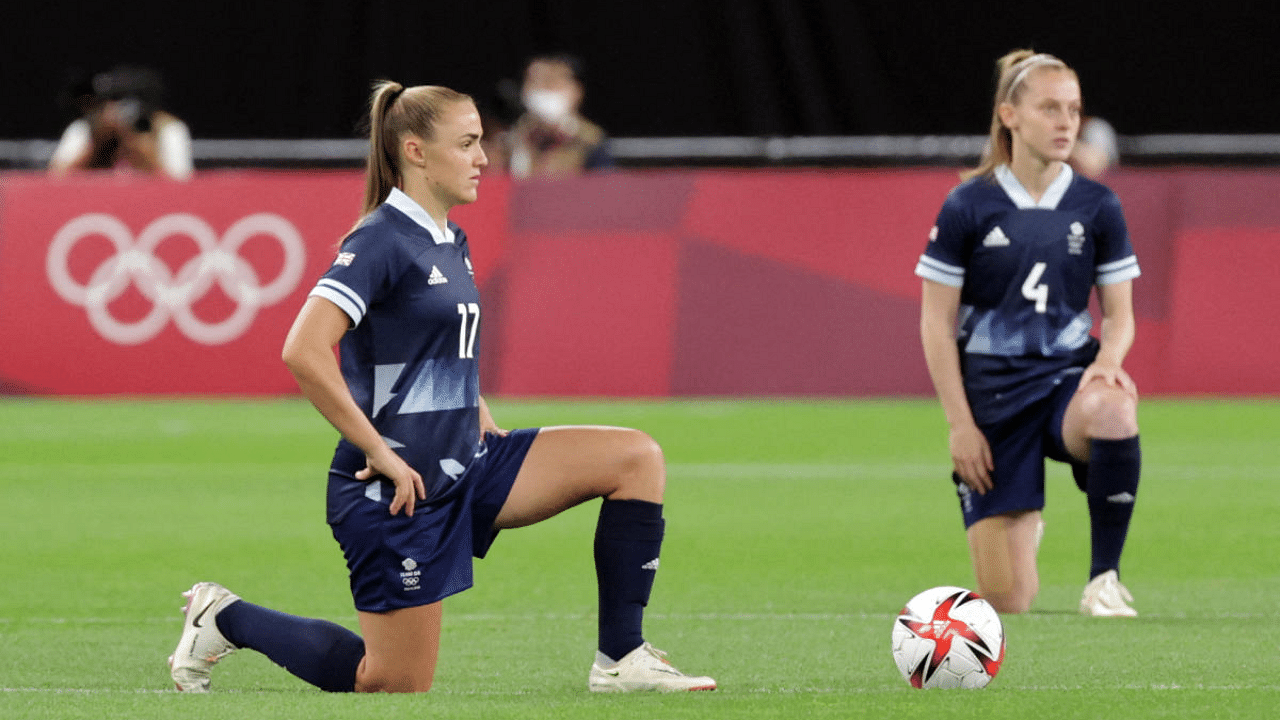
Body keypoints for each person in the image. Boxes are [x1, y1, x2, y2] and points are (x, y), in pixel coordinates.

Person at [167, 80, 715, 694]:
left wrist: (473, 403)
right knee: (392, 681)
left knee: (635, 457)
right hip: (400, 488)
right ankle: (225, 616)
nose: (484, 157)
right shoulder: (379, 240)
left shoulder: (450, 237)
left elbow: (433, 340)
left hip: (468, 461)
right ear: (416, 151)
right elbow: (302, 349)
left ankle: (621, 659)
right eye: (469, 143)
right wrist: (377, 450)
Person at [915, 50, 1143, 618]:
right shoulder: (970, 204)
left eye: (1074, 109)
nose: (1068, 122)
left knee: (1113, 410)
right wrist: (960, 426)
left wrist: (1108, 360)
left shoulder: (1097, 204)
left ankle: (1104, 579)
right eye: (1050, 108)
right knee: (1008, 601)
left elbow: (1119, 315)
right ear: (1010, 116)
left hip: (1066, 381)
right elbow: (936, 324)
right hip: (993, 402)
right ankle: (1023, 523)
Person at [48, 65, 193, 181]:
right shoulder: (85, 128)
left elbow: (181, 183)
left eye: (128, 102)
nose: (120, 109)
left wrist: (135, 142)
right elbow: (55, 178)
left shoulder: (168, 128)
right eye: (112, 100)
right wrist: (98, 142)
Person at [495, 53, 613, 178]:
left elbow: (603, 190)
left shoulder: (591, 142)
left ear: (576, 91)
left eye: (551, 81)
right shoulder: (511, 139)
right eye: (534, 81)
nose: (542, 89)